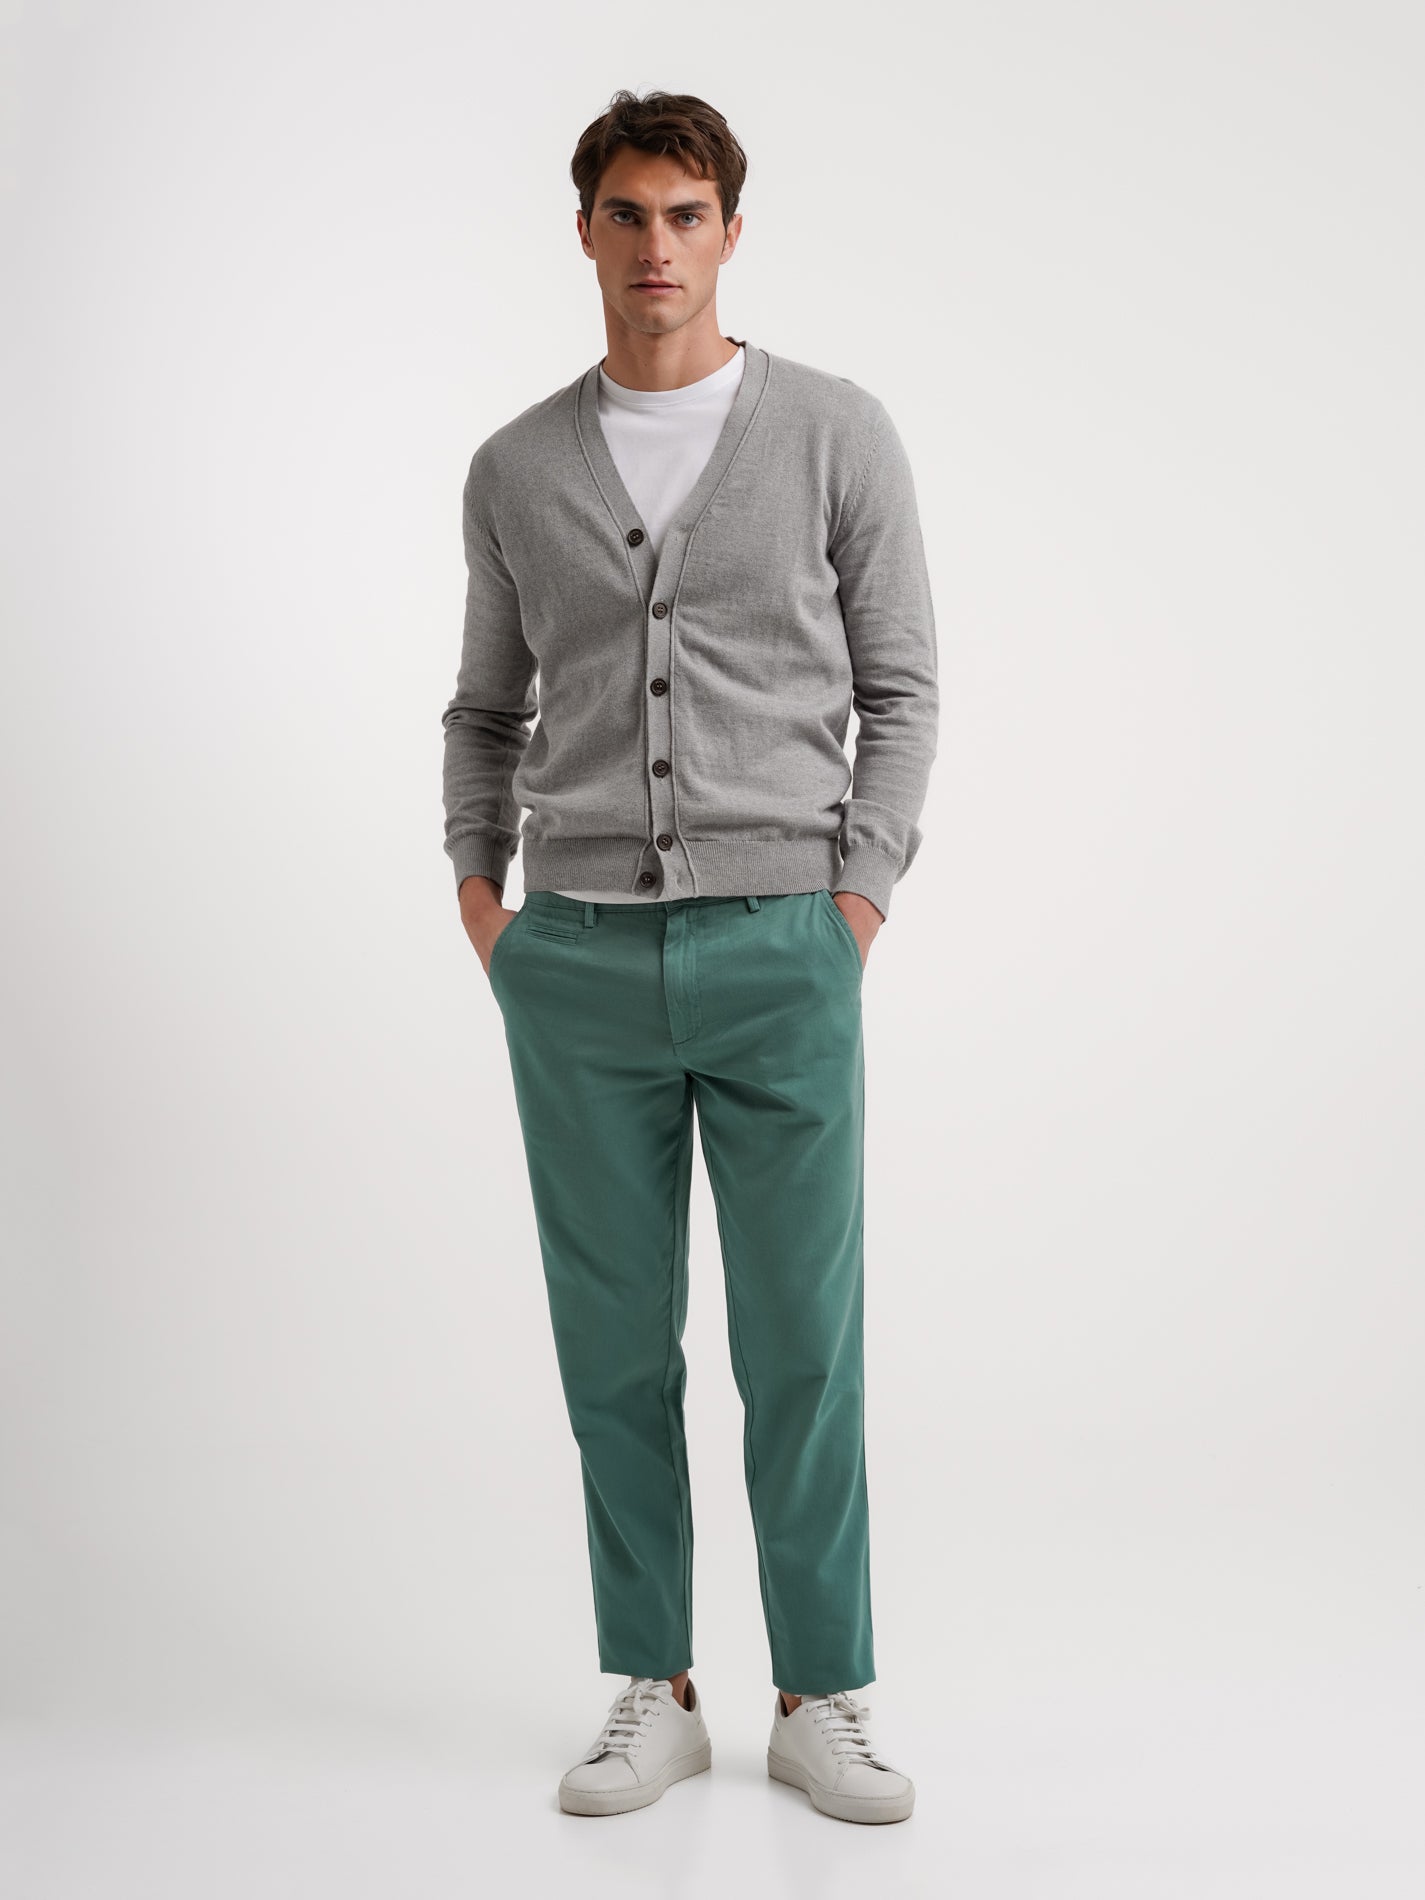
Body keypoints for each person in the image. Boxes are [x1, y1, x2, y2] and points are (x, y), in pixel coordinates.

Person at [441, 88, 938, 1825]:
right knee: (614, 1346)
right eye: (627, 213)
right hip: (574, 962)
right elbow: (483, 706)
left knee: (802, 1341)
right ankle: (648, 1683)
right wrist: (483, 900)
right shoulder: (516, 468)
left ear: (730, 231)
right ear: (583, 230)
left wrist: (852, 903)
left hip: (784, 947)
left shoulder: (832, 433)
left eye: (686, 214)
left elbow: (901, 690)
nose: (656, 246)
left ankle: (820, 1693)